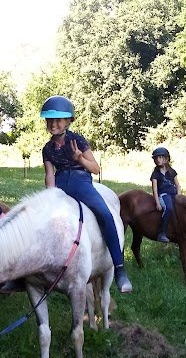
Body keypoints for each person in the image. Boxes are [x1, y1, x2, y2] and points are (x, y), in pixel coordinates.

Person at [40, 95, 132, 293]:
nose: (53, 124)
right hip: (61, 184)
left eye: (58, 120)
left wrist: (80, 158)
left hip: (81, 181)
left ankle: (119, 268)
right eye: (50, 120)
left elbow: (95, 168)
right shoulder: (47, 149)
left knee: (104, 214)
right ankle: (39, 271)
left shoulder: (77, 140)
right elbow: (49, 175)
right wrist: (50, 196)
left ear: (68, 121)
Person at [150, 146, 180, 243]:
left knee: (183, 209)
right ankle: (162, 232)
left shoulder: (172, 171)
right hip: (164, 195)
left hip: (174, 194)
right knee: (169, 208)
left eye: (160, 157)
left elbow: (178, 185)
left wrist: (179, 196)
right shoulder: (155, 174)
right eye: (156, 158)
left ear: (166, 159)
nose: (158, 160)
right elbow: (154, 189)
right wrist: (157, 203)